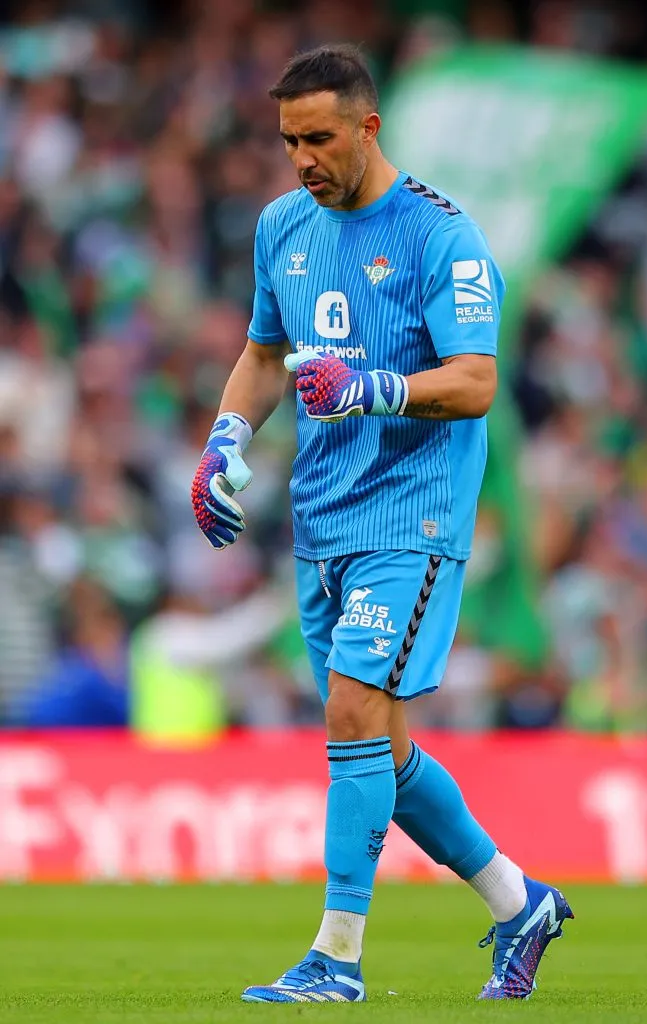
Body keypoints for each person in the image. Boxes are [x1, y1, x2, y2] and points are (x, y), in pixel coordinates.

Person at [191, 43, 573, 1004]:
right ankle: (518, 901)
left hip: (415, 517)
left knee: (353, 717)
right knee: (380, 751)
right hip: (323, 521)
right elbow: (263, 353)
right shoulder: (283, 225)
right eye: (288, 141)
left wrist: (373, 386)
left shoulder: (443, 237)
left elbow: (478, 382)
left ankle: (337, 957)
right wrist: (225, 439)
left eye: (319, 138)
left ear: (369, 127)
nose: (302, 159)